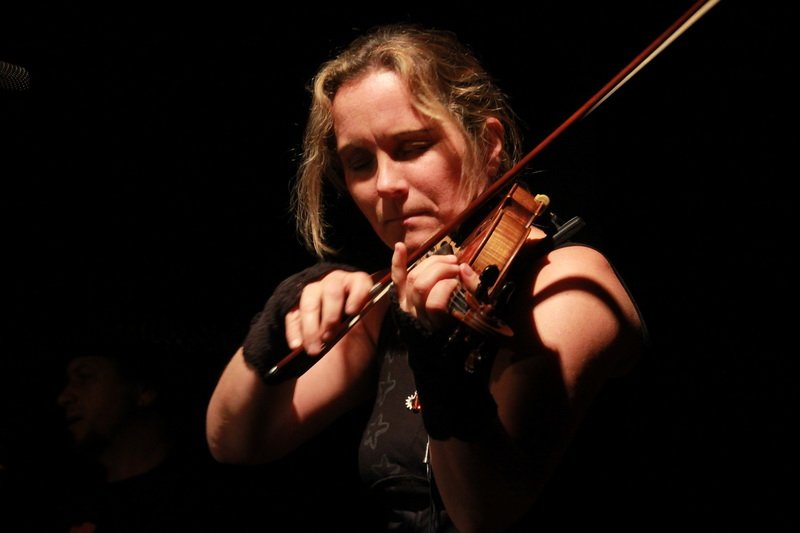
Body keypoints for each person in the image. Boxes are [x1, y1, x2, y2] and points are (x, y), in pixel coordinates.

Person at [206, 23, 647, 532]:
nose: (385, 185)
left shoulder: (567, 282)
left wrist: (438, 360)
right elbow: (234, 442)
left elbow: (483, 512)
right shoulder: (394, 301)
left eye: (412, 147)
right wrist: (279, 319)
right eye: (359, 162)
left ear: (489, 143)